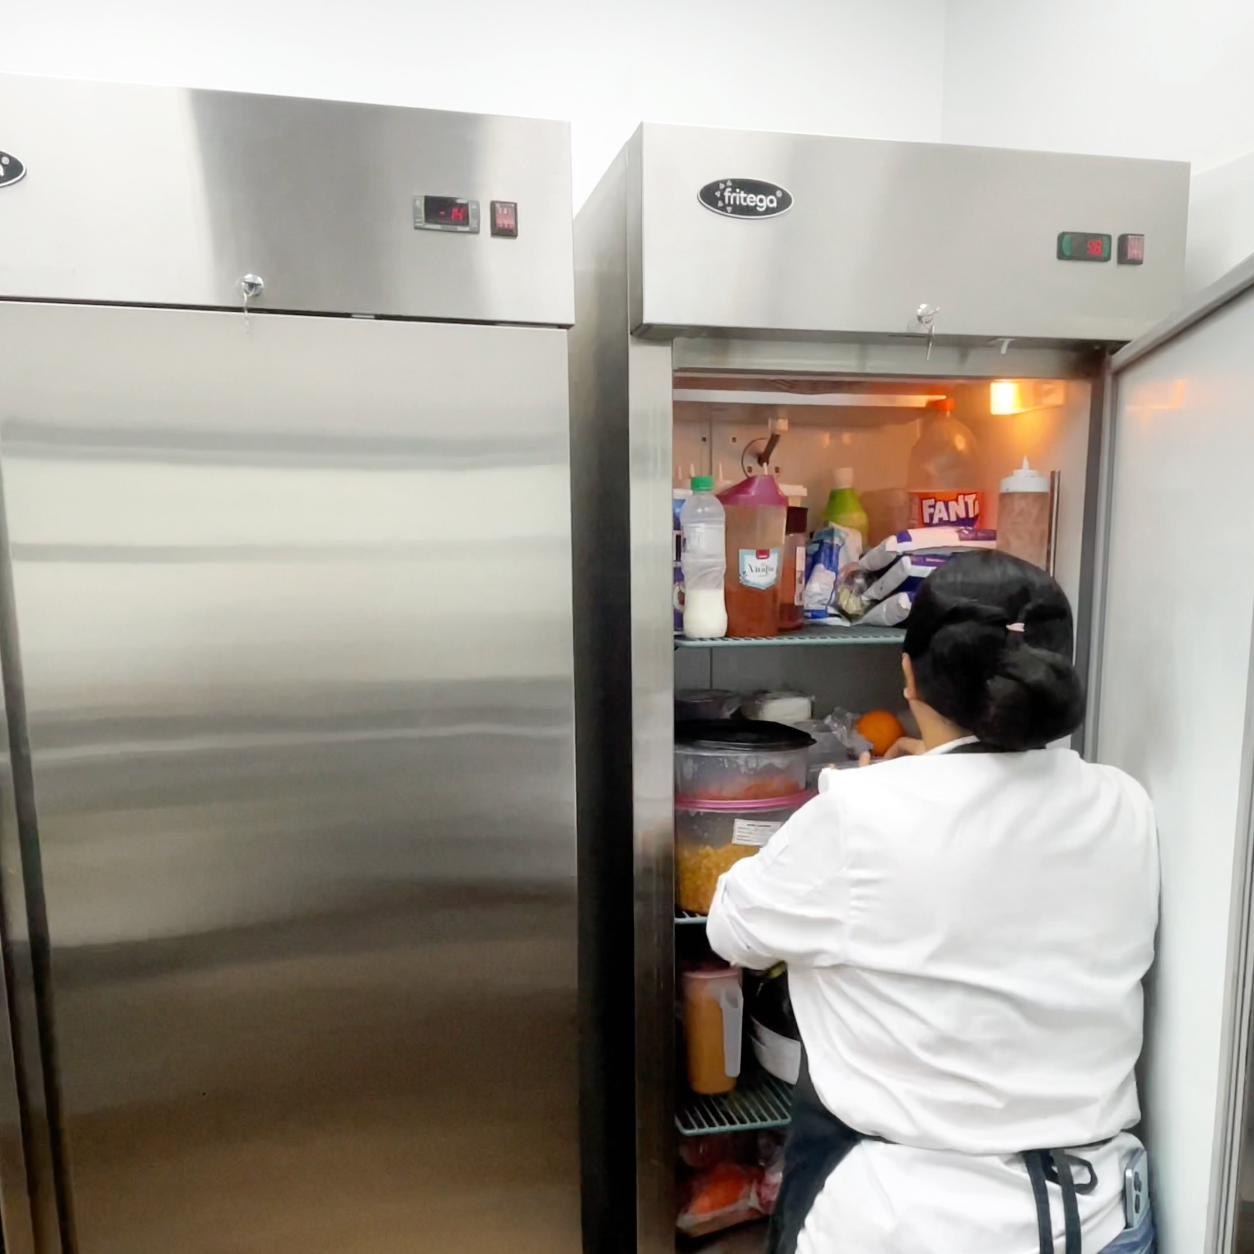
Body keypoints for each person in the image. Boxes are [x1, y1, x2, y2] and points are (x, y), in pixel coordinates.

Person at [706, 549, 1158, 1254]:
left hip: (910, 1222)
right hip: (1093, 1218)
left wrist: (878, 793)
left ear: (910, 672)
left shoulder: (860, 815)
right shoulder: (1124, 804)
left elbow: (733, 928)